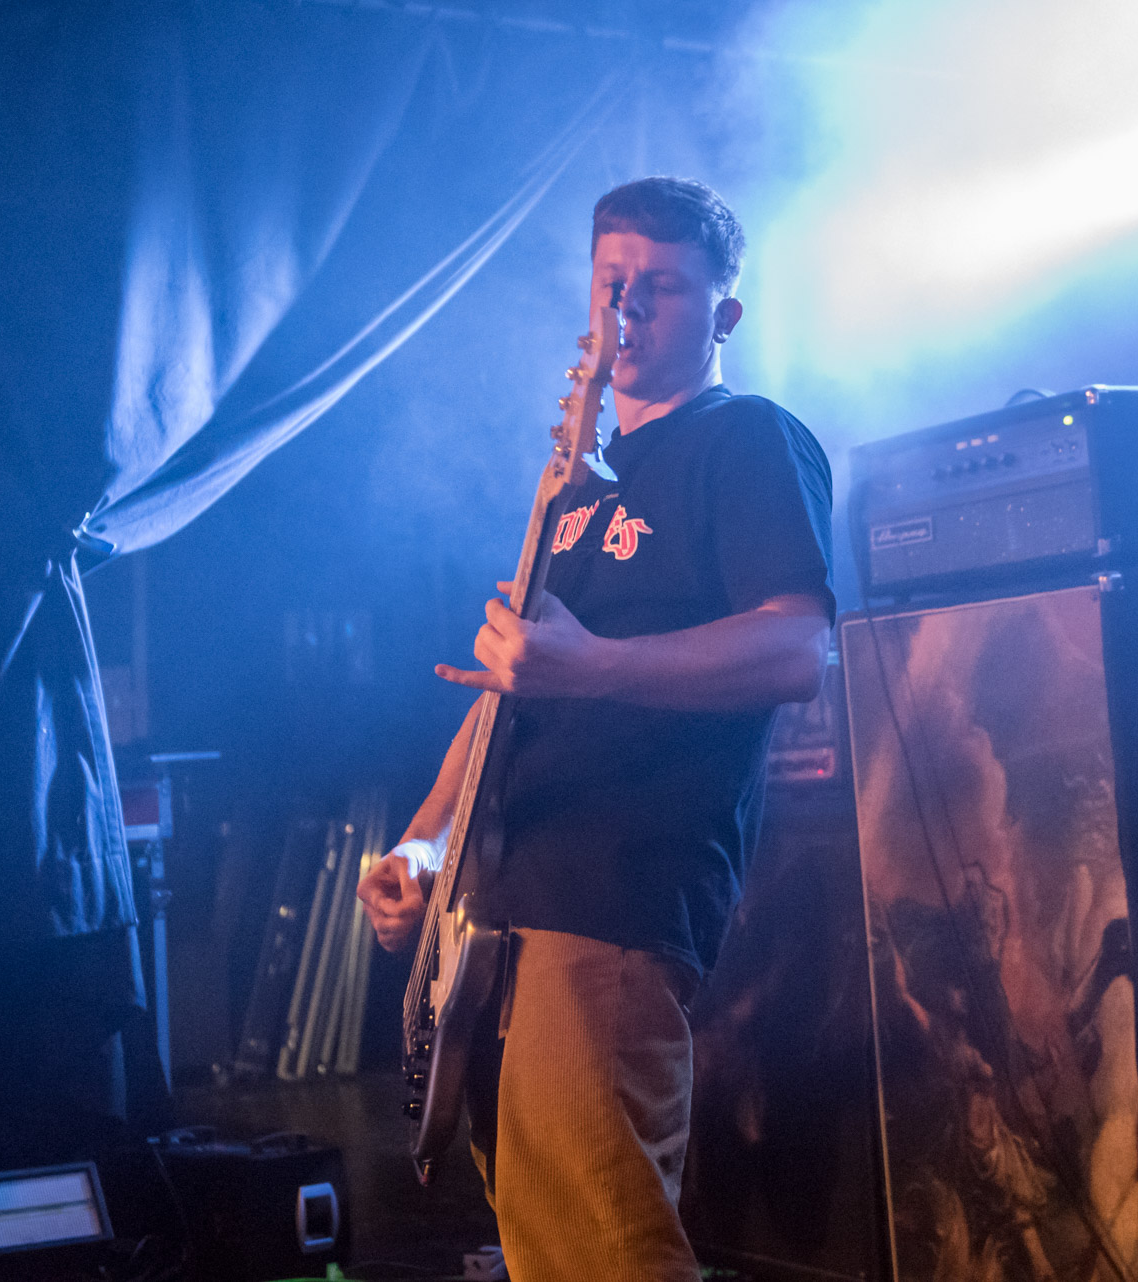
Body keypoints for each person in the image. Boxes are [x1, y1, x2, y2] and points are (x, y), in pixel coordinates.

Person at [357, 178, 834, 1282]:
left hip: (615, 897)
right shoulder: (576, 487)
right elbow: (506, 691)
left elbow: (797, 650)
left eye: (660, 288)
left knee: (608, 1248)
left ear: (723, 314)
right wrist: (425, 843)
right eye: (611, 283)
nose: (627, 310)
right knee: (551, 1245)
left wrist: (599, 664)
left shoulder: (748, 439)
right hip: (501, 911)